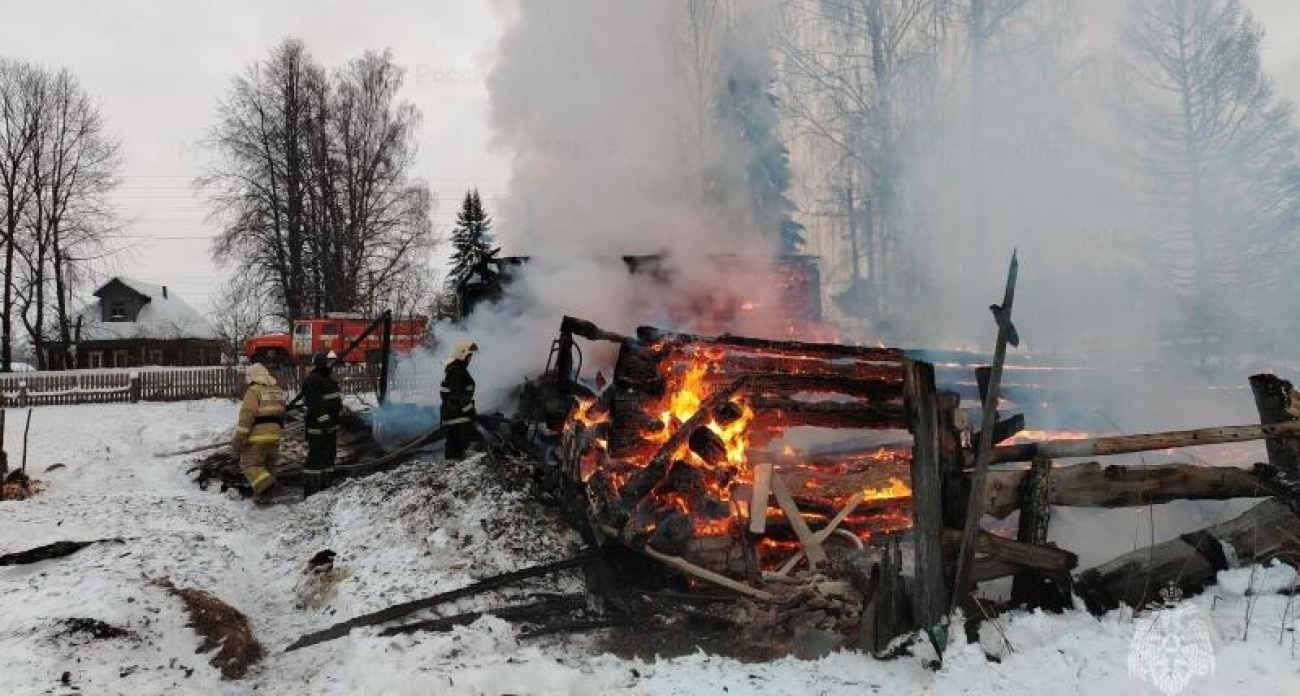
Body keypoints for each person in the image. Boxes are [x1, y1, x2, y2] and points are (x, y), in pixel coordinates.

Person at [233, 362, 289, 502]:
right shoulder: (277, 390)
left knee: (249, 464)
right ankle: (262, 496)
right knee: (268, 465)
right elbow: (283, 413)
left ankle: (270, 486)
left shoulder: (254, 391)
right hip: (275, 435)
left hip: (258, 436)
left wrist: (239, 439)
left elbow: (247, 416)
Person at [301, 350, 342, 495]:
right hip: (318, 428)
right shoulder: (313, 380)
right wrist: (325, 422)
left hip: (330, 427)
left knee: (329, 457)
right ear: (321, 363)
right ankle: (311, 490)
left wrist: (337, 419)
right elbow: (315, 405)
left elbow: (334, 402)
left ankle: (325, 486)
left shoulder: (329, 380)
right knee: (316, 459)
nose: (331, 365)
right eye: (329, 362)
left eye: (332, 362)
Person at [441, 340, 479, 459]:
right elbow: (460, 397)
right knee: (477, 442)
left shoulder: (453, 369)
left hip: (452, 416)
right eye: (469, 356)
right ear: (463, 354)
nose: (470, 359)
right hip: (459, 418)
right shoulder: (458, 372)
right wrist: (470, 412)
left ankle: (450, 471)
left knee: (453, 449)